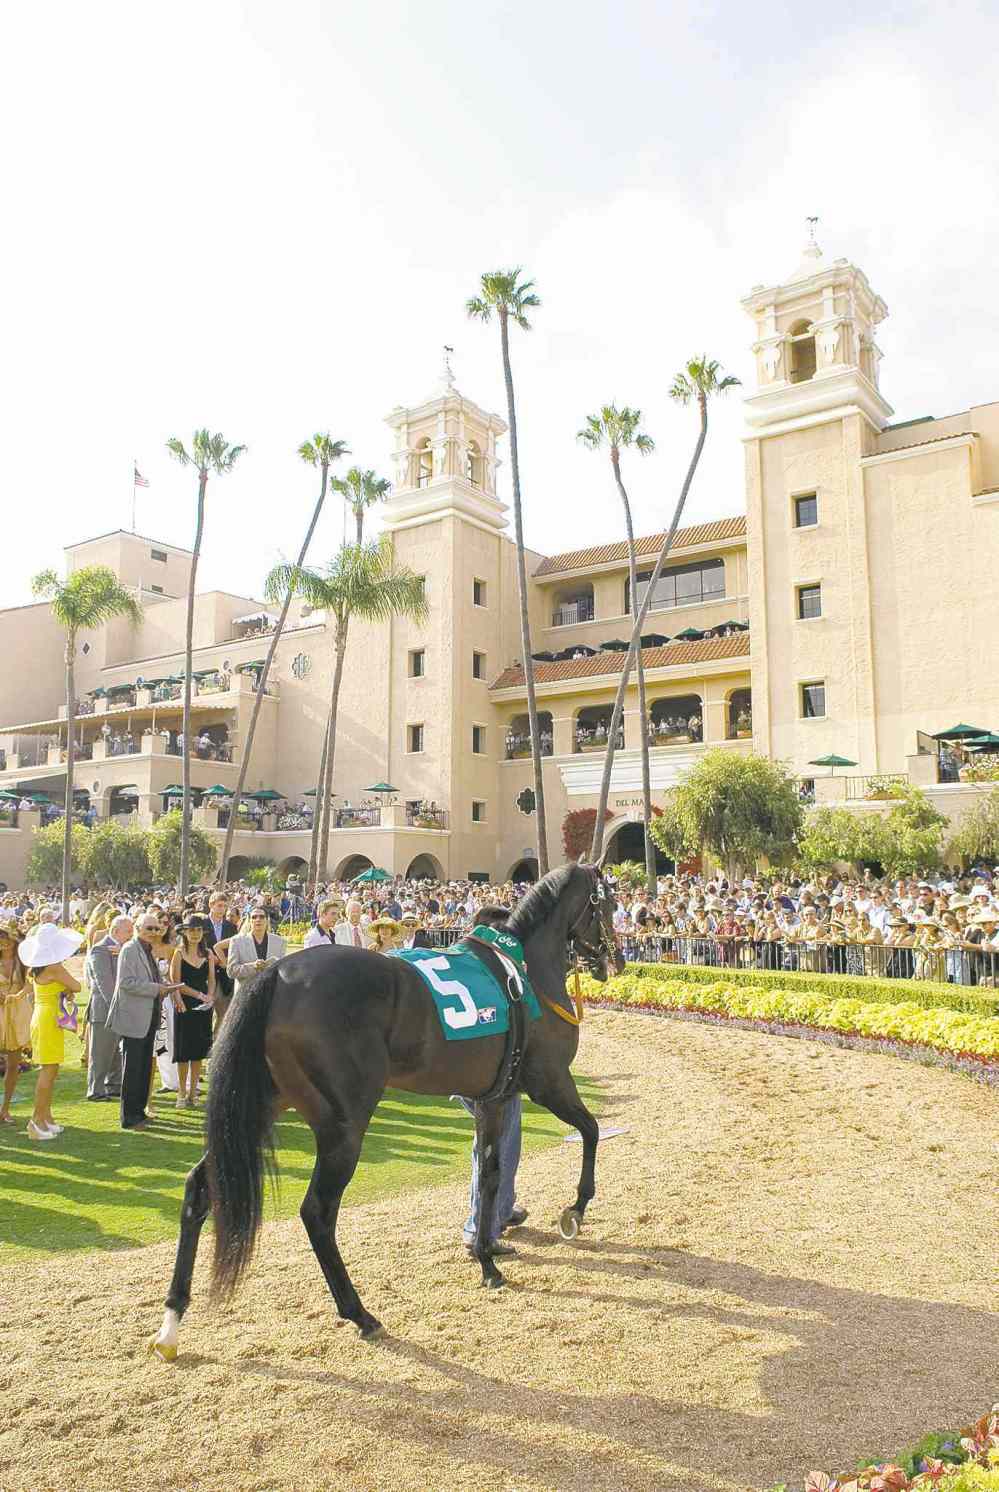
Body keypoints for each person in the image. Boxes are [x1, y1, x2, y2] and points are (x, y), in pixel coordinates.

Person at [458, 904, 528, 1260]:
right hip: (487, 1073)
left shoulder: (469, 957)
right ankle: (478, 1228)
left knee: (509, 1137)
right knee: (491, 1145)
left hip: (482, 1070)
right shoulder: (490, 966)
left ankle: (503, 1207)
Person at [107, 913, 184, 1131]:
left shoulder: (147, 949)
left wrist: (164, 986)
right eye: (149, 928)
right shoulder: (130, 949)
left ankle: (139, 1112)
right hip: (134, 1018)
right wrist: (157, 988)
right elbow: (126, 983)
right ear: (137, 928)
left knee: (143, 1068)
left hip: (148, 1016)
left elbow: (148, 979)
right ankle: (129, 1118)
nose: (153, 932)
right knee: (133, 1069)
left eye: (156, 929)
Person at [17, 921, 84, 1141]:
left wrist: (64, 991)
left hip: (45, 1016)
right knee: (48, 1070)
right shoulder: (54, 967)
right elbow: (77, 986)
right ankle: (36, 1121)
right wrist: (67, 989)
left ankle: (46, 1118)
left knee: (51, 1069)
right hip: (48, 1018)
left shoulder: (38, 967)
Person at [83, 914, 130, 1100]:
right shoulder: (100, 949)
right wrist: (116, 1006)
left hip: (118, 1008)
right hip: (103, 1010)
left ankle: (114, 1085)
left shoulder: (122, 949)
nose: (131, 934)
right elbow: (104, 983)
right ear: (116, 931)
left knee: (116, 1051)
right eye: (128, 931)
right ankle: (95, 1090)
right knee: (100, 1053)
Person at [168, 918, 215, 1108]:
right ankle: (181, 1092)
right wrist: (200, 995)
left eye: (198, 930)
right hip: (184, 1006)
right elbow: (176, 982)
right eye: (191, 930)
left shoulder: (208, 953)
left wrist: (210, 997)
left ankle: (193, 1091)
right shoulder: (178, 953)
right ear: (184, 932)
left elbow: (212, 979)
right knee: (184, 1051)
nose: (195, 934)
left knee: (198, 1052)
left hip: (203, 1008)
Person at [0, 917, 31, 1125]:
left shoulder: (23, 960)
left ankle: (5, 1109)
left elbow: (31, 983)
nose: (4, 944)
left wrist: (17, 996)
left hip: (18, 1012)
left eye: (7, 939)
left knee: (13, 1064)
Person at [227, 907, 286, 997]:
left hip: (271, 995)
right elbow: (231, 971)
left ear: (267, 920)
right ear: (249, 920)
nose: (258, 920)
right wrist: (253, 966)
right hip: (245, 996)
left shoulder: (279, 942)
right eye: (254, 917)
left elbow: (282, 970)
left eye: (262, 917)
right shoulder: (237, 941)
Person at [198, 891, 238, 1023]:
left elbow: (234, 949)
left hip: (224, 978)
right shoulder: (200, 924)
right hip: (204, 975)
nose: (222, 909)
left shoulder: (231, 927)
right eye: (220, 905)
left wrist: (225, 961)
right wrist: (209, 958)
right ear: (211, 905)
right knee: (203, 1016)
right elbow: (194, 947)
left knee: (224, 1016)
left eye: (225, 906)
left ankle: (217, 1037)